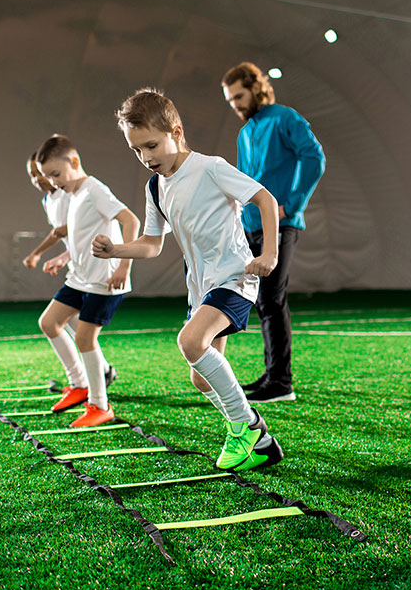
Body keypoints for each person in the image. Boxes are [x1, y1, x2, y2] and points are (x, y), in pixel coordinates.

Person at [92, 88, 284, 472]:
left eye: (151, 145)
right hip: (201, 287)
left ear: (176, 132)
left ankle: (250, 429)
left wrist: (270, 255)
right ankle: (253, 437)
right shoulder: (155, 187)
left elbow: (264, 199)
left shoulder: (210, 167)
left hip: (234, 277)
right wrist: (116, 251)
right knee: (201, 379)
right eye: (136, 151)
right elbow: (151, 245)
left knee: (190, 341)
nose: (146, 158)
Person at [221, 62, 325, 403]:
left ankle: (281, 383)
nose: (235, 103)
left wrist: (290, 204)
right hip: (249, 227)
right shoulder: (245, 132)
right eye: (230, 99)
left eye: (239, 95)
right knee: (262, 301)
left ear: (255, 88)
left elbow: (314, 157)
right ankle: (271, 374)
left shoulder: (285, 118)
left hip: (280, 224)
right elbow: (241, 181)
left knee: (271, 299)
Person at [35, 135, 139, 427]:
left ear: (75, 162)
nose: (53, 182)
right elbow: (83, 238)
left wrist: (123, 265)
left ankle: (100, 405)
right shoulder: (74, 194)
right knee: (49, 323)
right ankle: (79, 385)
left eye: (56, 174)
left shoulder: (95, 190)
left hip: (104, 282)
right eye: (48, 177)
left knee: (84, 337)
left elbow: (131, 220)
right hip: (79, 279)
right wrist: (63, 257)